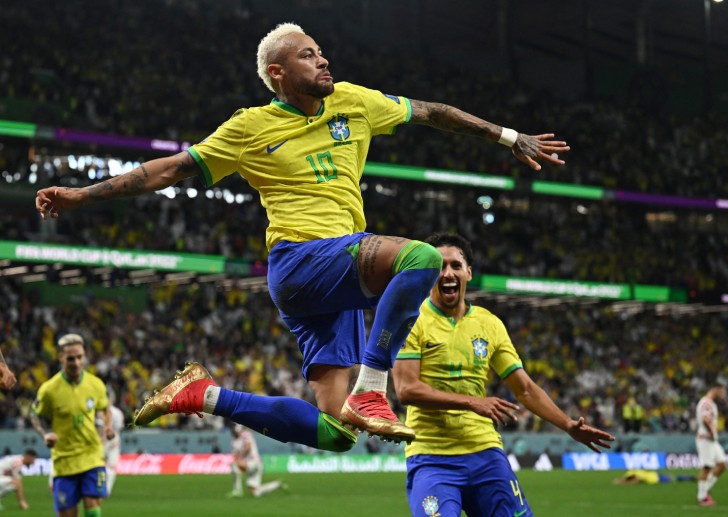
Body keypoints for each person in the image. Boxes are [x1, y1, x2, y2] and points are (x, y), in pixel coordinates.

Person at [35, 23, 569, 451]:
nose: (324, 60)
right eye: (309, 55)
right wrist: (83, 195)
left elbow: (431, 113)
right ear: (278, 73)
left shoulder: (354, 102)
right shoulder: (249, 127)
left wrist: (508, 136)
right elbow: (168, 170)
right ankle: (372, 389)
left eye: (321, 52)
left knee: (336, 432)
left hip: (338, 279)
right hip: (300, 262)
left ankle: (202, 393)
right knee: (423, 260)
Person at [392, 233, 614, 517]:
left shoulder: (489, 324)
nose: (447, 273)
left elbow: (525, 390)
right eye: (439, 266)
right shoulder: (413, 318)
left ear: (468, 272)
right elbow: (407, 389)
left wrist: (568, 424)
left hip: (485, 453)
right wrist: (472, 402)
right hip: (432, 459)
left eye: (455, 266)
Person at [30, 334, 114, 517]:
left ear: (84, 356)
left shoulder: (95, 384)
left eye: (79, 357)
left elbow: (105, 409)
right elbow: (34, 415)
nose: (76, 362)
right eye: (70, 358)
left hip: (92, 455)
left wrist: (108, 426)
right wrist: (45, 434)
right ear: (60, 357)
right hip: (64, 460)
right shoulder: (49, 390)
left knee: (92, 505)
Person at [227, 424, 285, 498]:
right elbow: (236, 455)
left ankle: (237, 491)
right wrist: (238, 459)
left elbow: (248, 447)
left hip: (254, 462)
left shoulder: (246, 435)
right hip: (250, 464)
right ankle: (277, 484)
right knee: (255, 492)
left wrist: (240, 458)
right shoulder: (234, 442)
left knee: (234, 465)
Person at [695, 382, 727, 507]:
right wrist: (712, 432)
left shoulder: (710, 403)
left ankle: (704, 489)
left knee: (722, 463)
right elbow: (705, 419)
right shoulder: (706, 403)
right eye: (721, 391)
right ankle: (702, 498)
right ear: (715, 389)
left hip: (711, 440)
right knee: (707, 467)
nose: (722, 394)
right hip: (705, 438)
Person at [99, 396, 125, 496]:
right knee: (112, 467)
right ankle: (107, 490)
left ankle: (100, 487)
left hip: (102, 440)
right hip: (114, 440)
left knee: (100, 465)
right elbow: (120, 427)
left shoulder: (100, 412)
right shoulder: (118, 412)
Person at [613, 469, 696, 485]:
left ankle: (689, 478)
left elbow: (635, 481)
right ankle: (689, 477)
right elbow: (626, 478)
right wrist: (620, 481)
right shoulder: (635, 471)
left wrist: (622, 482)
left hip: (655, 479)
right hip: (654, 474)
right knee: (674, 477)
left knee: (675, 479)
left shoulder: (635, 475)